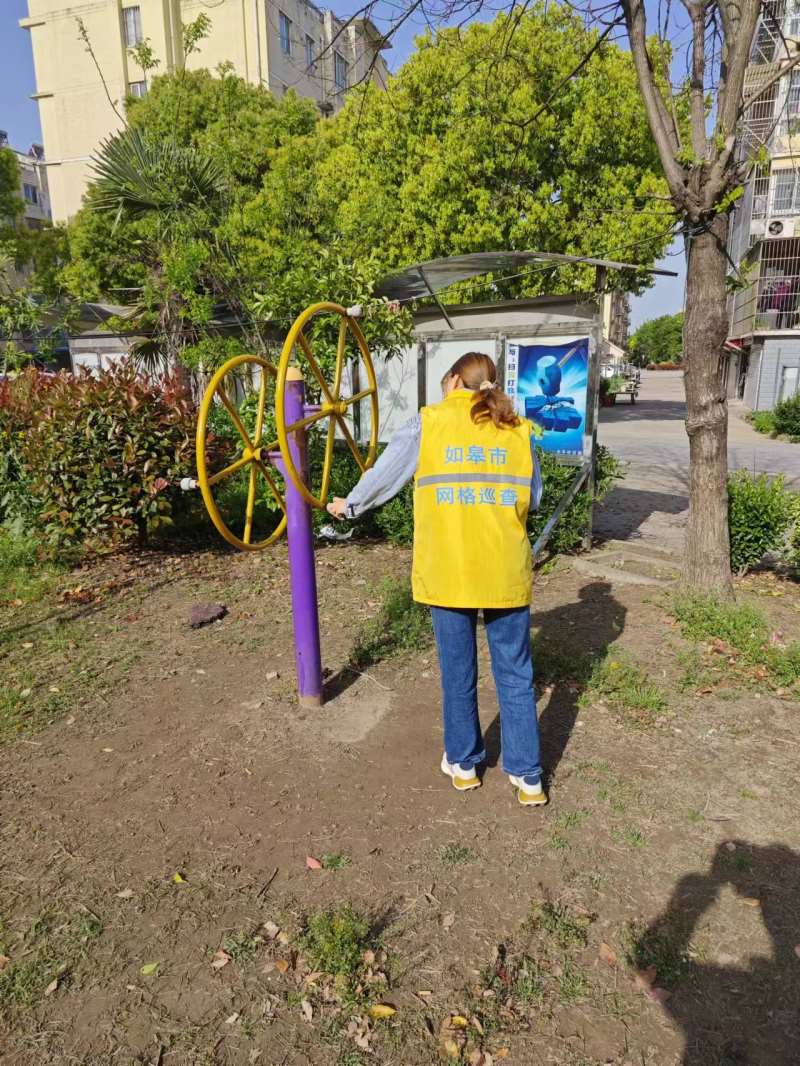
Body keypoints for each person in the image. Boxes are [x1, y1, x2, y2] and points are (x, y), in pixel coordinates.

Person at [327, 352, 546, 806]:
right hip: (505, 571)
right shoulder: (518, 429)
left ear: (453, 381)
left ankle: (464, 765)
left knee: (458, 672)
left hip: (450, 571)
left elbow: (386, 474)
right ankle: (528, 778)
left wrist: (350, 505)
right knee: (516, 675)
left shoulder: (428, 423)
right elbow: (536, 497)